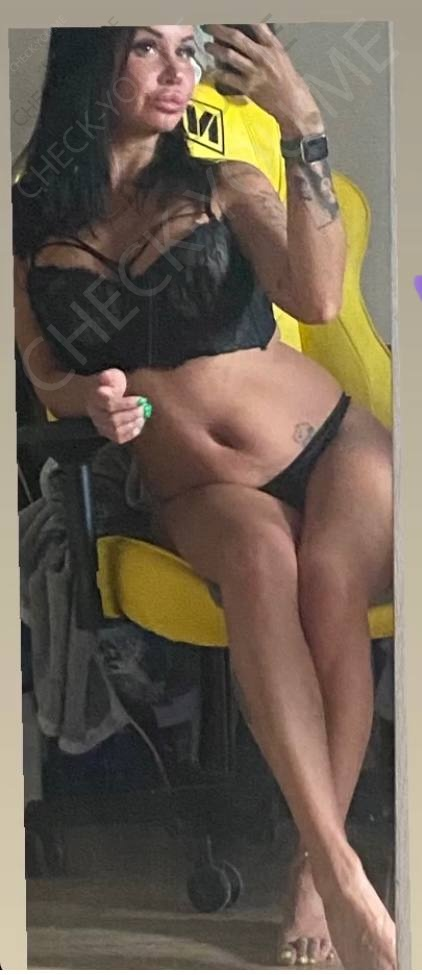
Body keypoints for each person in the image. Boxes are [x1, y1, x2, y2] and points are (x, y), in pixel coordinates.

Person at [13, 24, 395, 969]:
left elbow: (314, 299)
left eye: (189, 50)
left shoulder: (222, 178)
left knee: (331, 585)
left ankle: (318, 868)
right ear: (93, 61)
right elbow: (44, 366)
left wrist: (302, 124)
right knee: (262, 559)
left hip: (330, 443)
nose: (178, 71)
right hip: (200, 484)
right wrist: (89, 402)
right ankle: (341, 861)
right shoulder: (26, 216)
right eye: (148, 47)